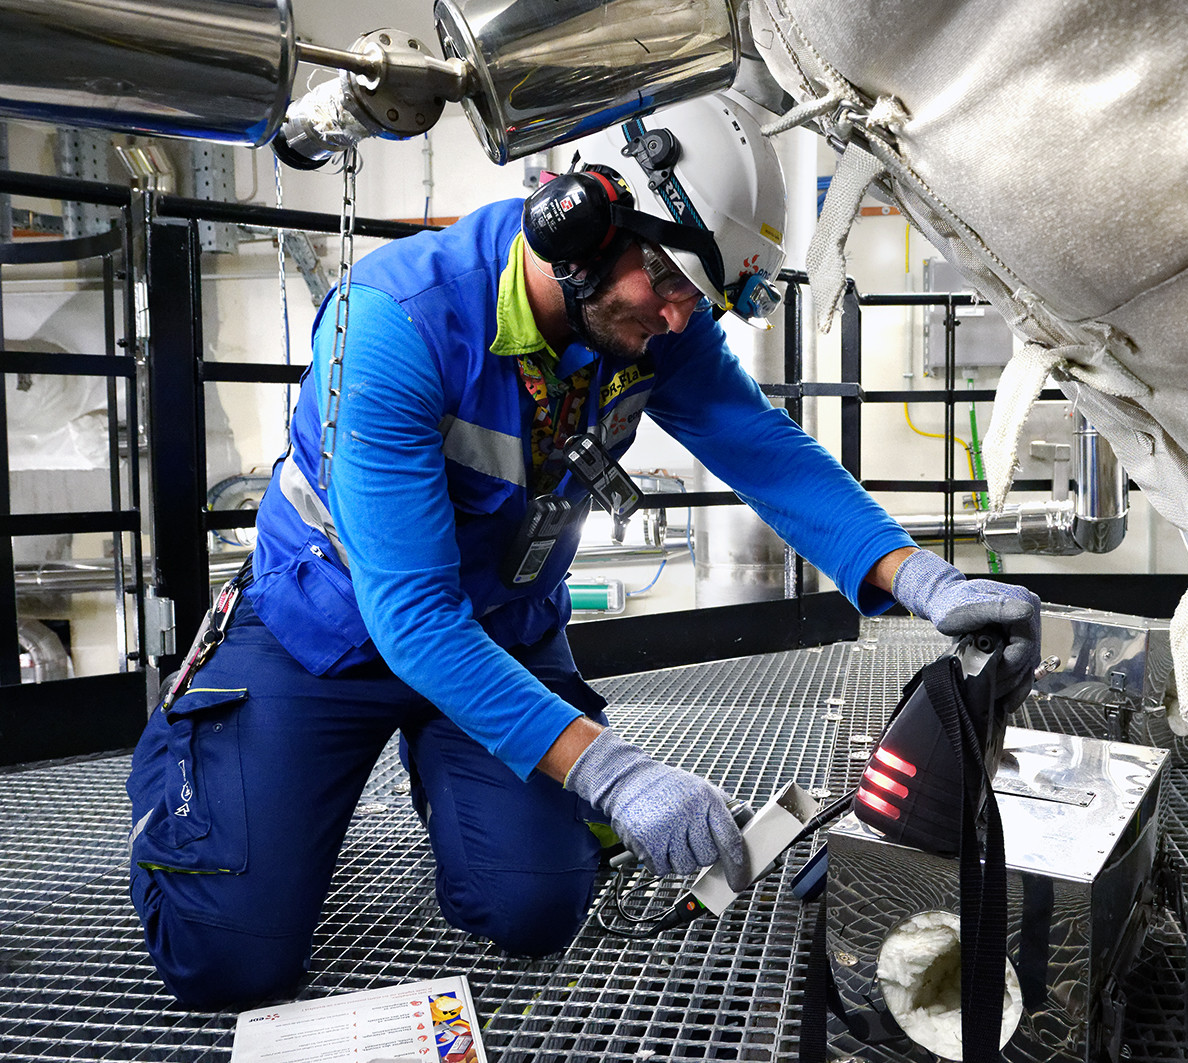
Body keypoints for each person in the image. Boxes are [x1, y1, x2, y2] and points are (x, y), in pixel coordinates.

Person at [124, 92, 1041, 1009]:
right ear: (584, 222)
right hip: (323, 633)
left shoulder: (649, 321)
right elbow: (410, 617)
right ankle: (188, 771)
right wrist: (613, 768)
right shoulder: (396, 325)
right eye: (672, 284)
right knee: (230, 961)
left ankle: (452, 771)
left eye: (703, 298)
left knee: (535, 905)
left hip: (502, 632)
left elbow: (765, 452)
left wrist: (923, 578)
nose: (683, 319)